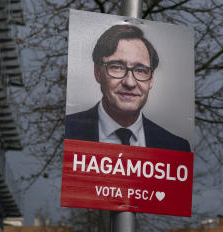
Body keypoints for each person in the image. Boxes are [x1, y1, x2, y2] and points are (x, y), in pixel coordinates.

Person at [65, 23, 190, 151]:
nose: (130, 83)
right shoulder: (66, 131)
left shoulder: (177, 148)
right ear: (97, 73)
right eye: (117, 67)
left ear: (151, 79)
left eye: (141, 70)